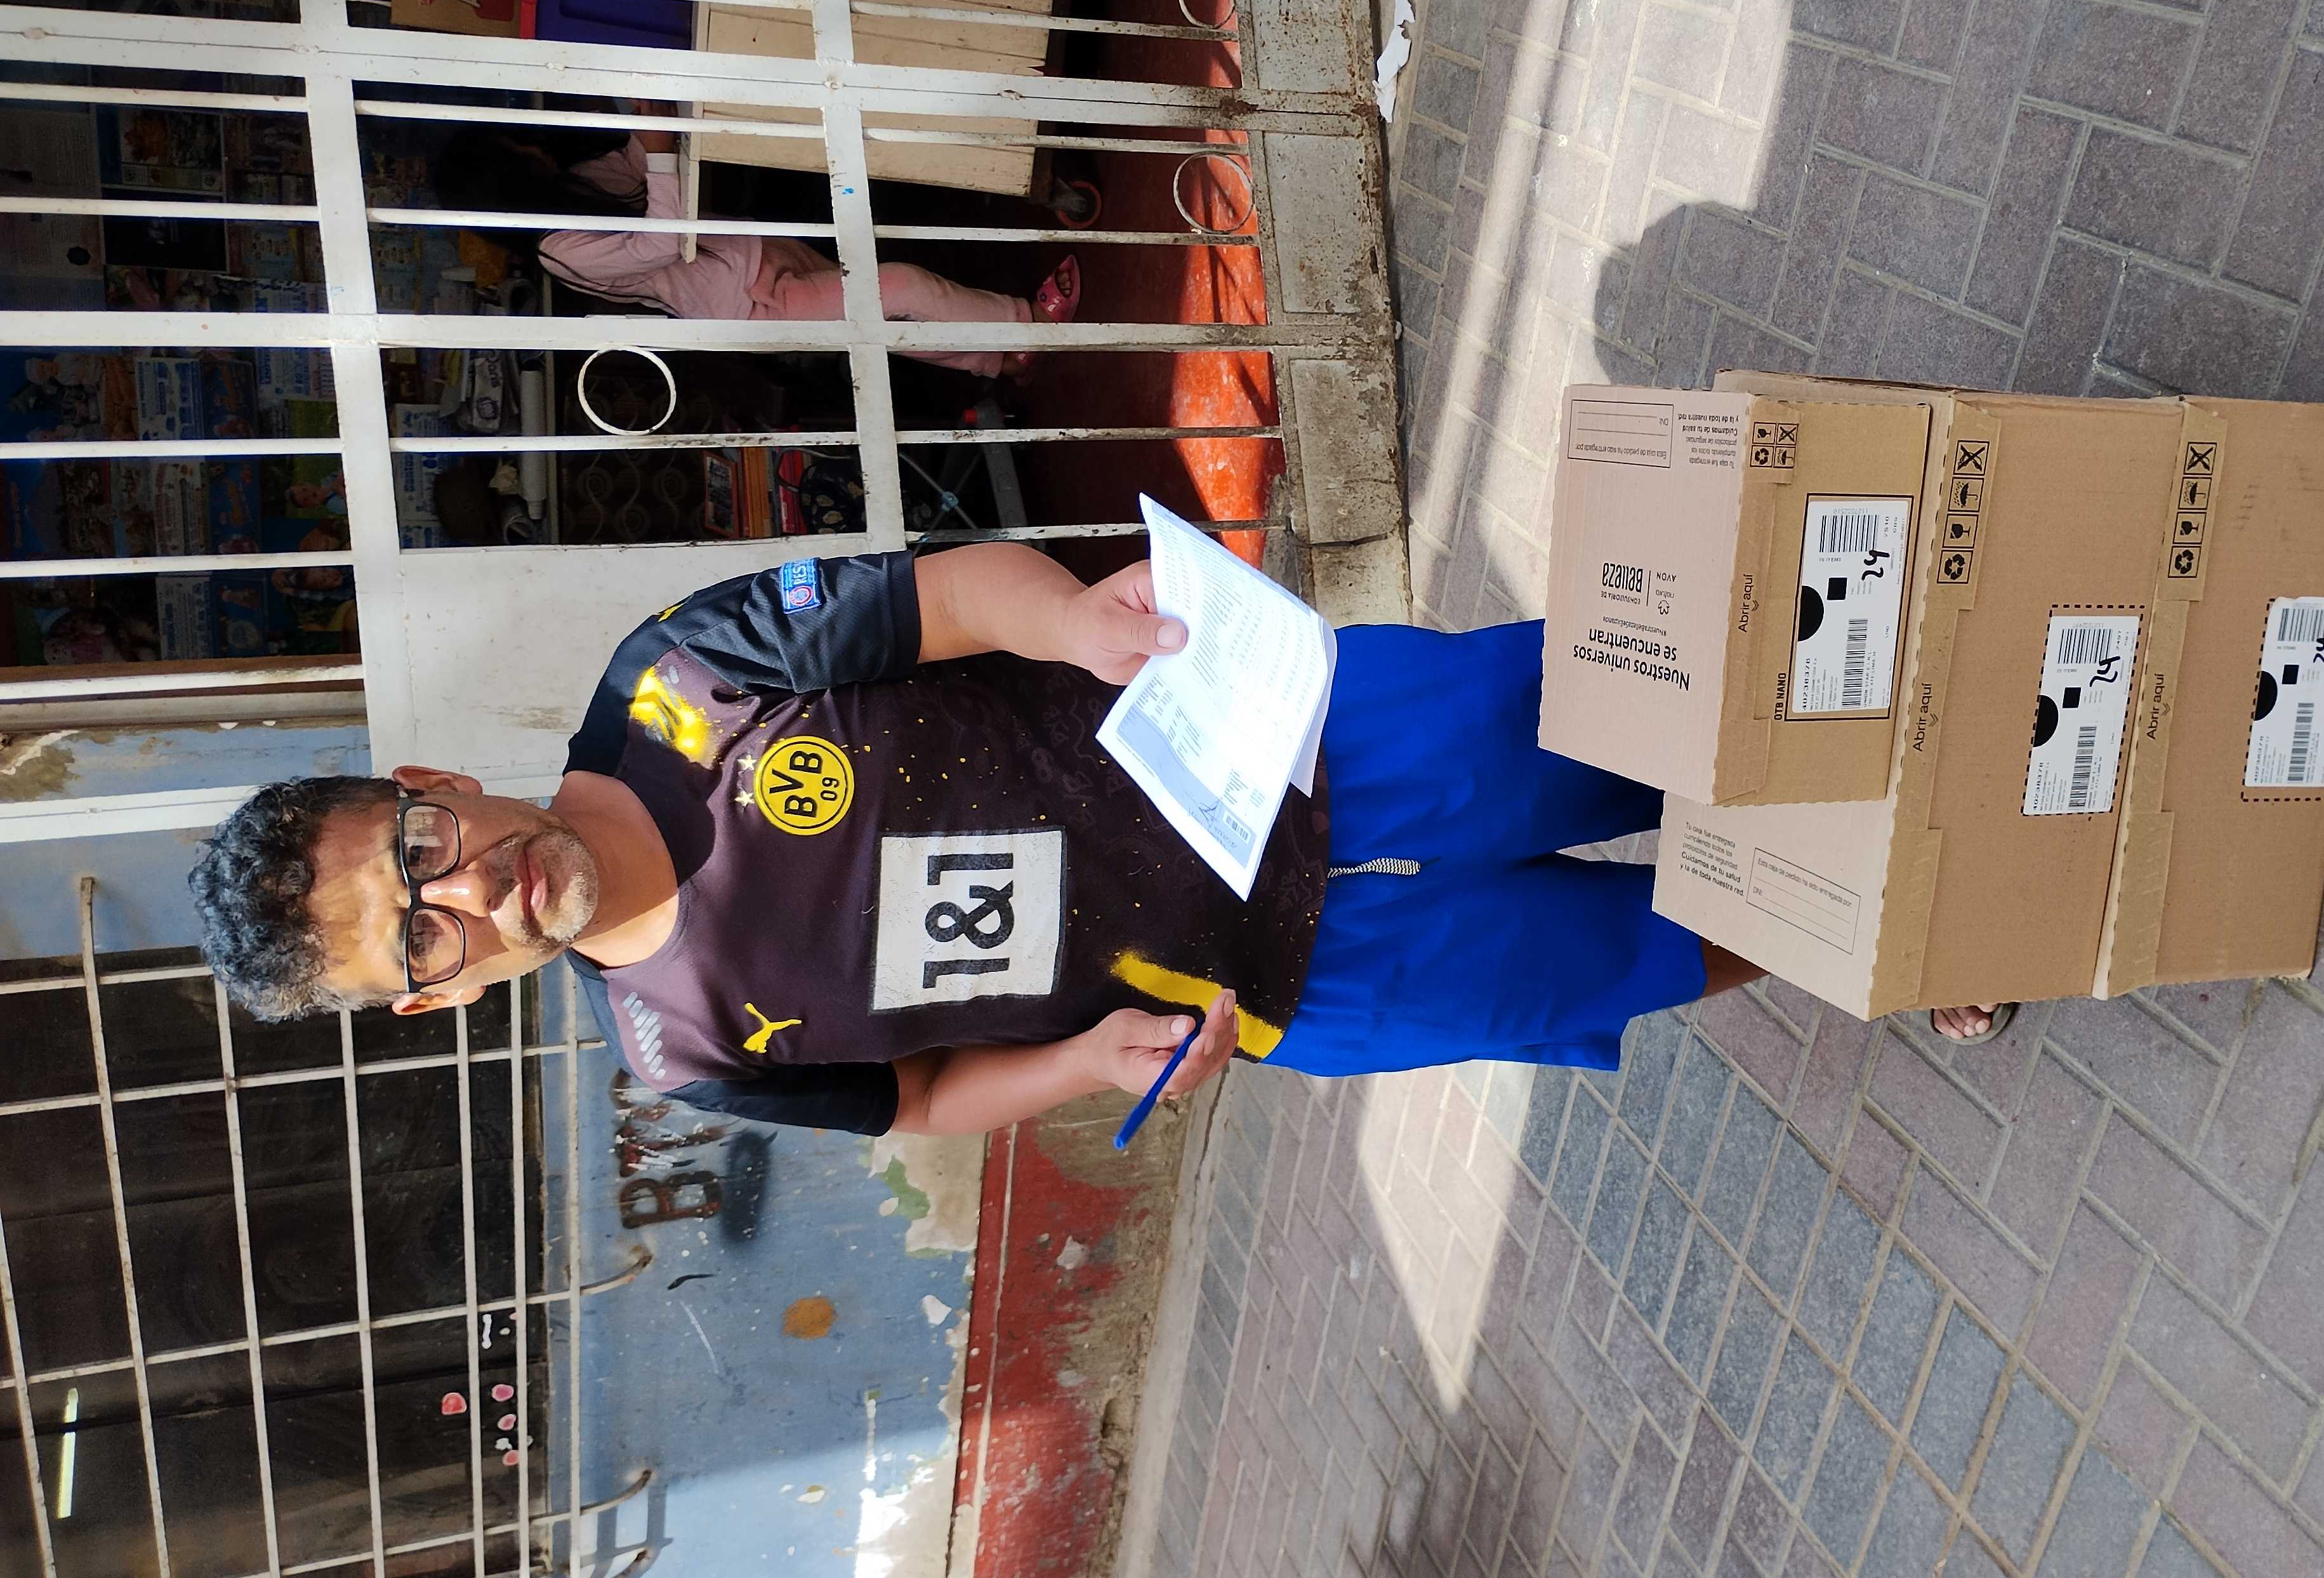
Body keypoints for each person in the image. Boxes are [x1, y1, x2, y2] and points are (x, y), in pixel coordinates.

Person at [190, 544, 1762, 1139]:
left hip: (1295, 751)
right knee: (1643, 958)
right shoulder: (684, 1054)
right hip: (1266, 983)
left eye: (419, 844)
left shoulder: (675, 676)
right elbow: (926, 1097)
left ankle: (1882, 704)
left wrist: (1072, 621)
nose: (471, 886)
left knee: (1667, 712)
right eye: (422, 929)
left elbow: (938, 599)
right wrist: (1082, 1065)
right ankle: (1868, 913)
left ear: (432, 779)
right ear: (436, 995)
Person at [435, 122, 1079, 380]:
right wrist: (658, 149)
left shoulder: (575, 190)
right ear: (510, 177)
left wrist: (646, 118)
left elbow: (638, 164)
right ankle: (1027, 323)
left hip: (757, 258)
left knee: (885, 320)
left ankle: (997, 358)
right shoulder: (562, 251)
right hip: (750, 304)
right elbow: (663, 237)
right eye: (515, 151)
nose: (530, 145)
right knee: (900, 287)